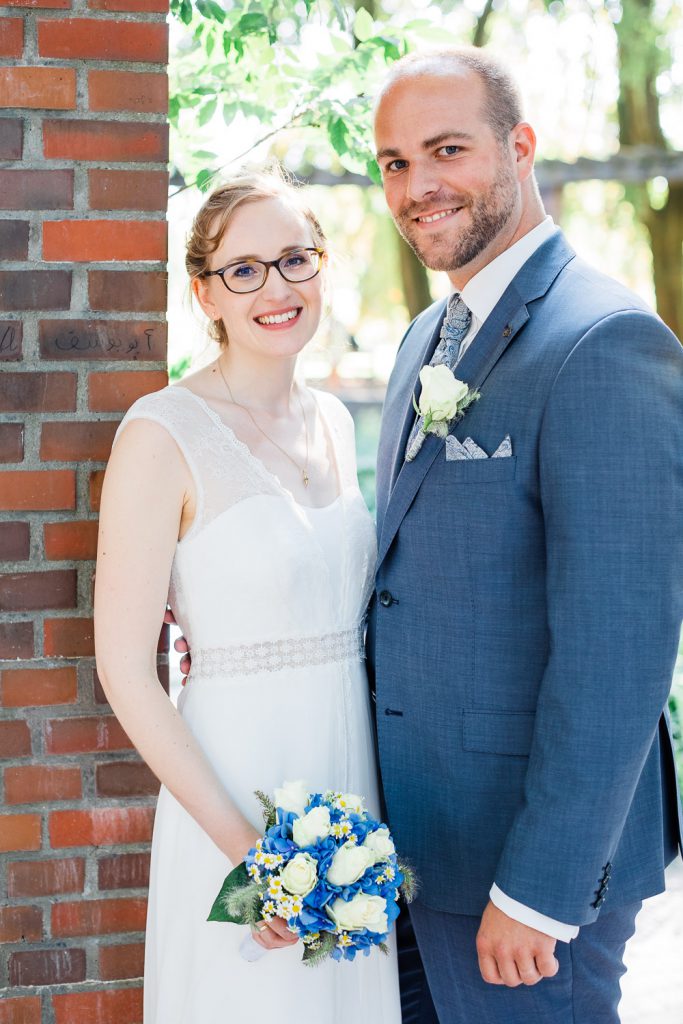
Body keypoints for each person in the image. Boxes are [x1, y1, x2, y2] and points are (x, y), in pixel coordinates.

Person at [367, 46, 683, 1023]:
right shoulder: (423, 340)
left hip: (524, 879)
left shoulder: (603, 340)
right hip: (416, 852)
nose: (416, 186)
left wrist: (539, 887)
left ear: (519, 148)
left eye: (445, 150)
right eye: (393, 163)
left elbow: (617, 651)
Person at [94, 170, 402, 1024]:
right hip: (233, 794)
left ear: (322, 266)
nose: (276, 288)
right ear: (205, 293)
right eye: (243, 270)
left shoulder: (333, 421)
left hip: (348, 780)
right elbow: (125, 671)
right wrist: (254, 858)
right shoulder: (161, 432)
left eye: (295, 259)